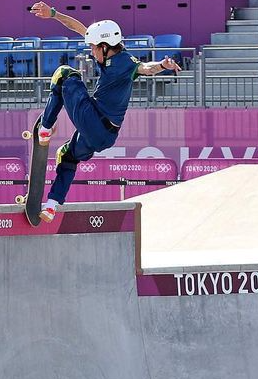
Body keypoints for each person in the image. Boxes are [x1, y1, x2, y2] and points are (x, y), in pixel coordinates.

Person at [29, 3, 182, 222]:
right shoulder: (107, 50)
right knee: (67, 156)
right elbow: (77, 27)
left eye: (93, 48)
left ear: (105, 46)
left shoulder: (126, 62)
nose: (91, 52)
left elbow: (146, 68)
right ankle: (52, 206)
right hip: (105, 137)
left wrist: (163, 65)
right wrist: (53, 14)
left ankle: (45, 129)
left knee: (64, 74)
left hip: (94, 120)